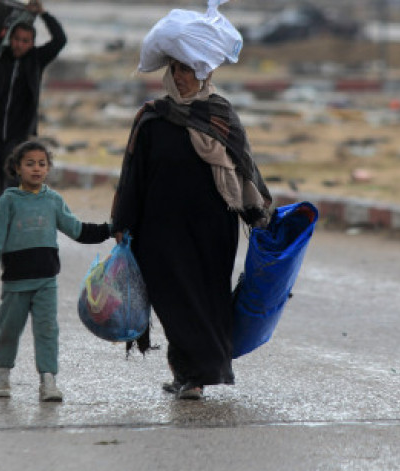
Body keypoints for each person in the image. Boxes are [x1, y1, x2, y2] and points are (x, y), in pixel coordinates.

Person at [110, 58, 273, 400]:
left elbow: (244, 168)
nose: (181, 77)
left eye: (188, 71)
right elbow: (133, 174)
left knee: (206, 298)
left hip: (211, 228)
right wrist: (123, 222)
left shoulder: (221, 115)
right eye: (176, 70)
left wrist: (258, 216)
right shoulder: (152, 117)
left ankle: (197, 374)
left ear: (205, 74)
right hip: (160, 227)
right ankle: (186, 371)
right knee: (170, 299)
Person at [0, 140, 110, 402]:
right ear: (17, 168)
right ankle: (2, 372)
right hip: (15, 282)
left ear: (48, 169)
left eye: (42, 164)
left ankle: (48, 380)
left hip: (46, 281)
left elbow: (77, 230)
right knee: (8, 329)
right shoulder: (8, 201)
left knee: (47, 331)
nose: (36, 169)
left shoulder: (53, 201)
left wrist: (109, 229)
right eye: (30, 164)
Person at [0, 0, 66, 213]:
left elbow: (60, 40)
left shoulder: (36, 60)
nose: (19, 45)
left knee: (12, 185)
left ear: (32, 43)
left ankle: (11, 230)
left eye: (25, 41)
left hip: (18, 137)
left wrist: (44, 14)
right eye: (16, 39)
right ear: (10, 38)